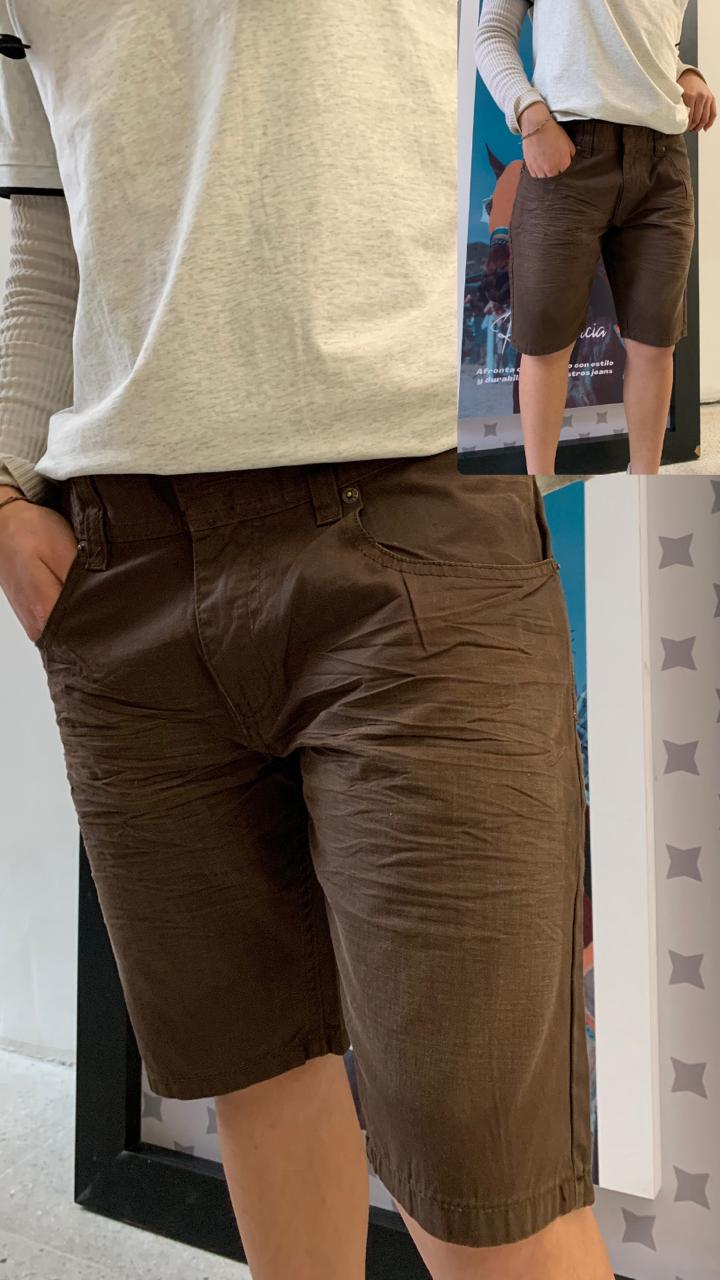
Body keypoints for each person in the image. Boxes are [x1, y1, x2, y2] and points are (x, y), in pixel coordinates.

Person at [0, 4, 612, 1278]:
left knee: (487, 1179)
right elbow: (45, 207)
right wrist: (3, 489)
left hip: (411, 510)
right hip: (130, 563)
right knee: (261, 1077)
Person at [475, 0, 717, 476]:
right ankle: (538, 499)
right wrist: (529, 114)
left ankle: (644, 492)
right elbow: (493, 34)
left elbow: (641, 42)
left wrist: (684, 72)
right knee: (545, 345)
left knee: (655, 344)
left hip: (662, 162)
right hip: (566, 151)